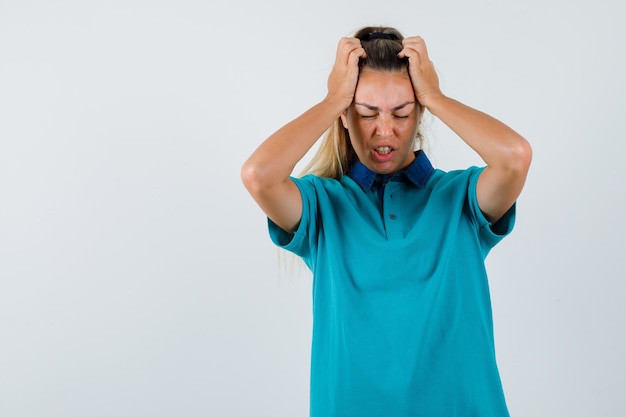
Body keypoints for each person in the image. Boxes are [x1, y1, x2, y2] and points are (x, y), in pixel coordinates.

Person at [241, 25, 532, 417]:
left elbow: (515, 156)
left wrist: (434, 96)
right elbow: (258, 175)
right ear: (346, 115)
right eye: (366, 113)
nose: (385, 130)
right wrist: (332, 101)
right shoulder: (323, 206)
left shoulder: (460, 198)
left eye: (402, 112)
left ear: (419, 114)